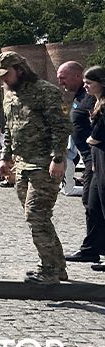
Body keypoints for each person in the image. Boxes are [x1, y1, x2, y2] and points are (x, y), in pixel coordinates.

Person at [0, 51, 72, 284]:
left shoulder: (46, 91)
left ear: (20, 70)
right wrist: (5, 158)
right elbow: (9, 129)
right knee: (39, 218)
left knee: (35, 215)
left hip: (44, 165)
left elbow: (61, 127)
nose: (3, 80)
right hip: (21, 165)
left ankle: (49, 270)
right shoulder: (9, 96)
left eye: (6, 74)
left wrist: (58, 158)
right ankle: (57, 266)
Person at [69, 65, 103, 266]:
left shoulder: (98, 102)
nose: (85, 86)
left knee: (96, 203)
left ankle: (93, 248)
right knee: (93, 203)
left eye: (89, 82)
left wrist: (92, 140)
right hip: (92, 158)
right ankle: (92, 248)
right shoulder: (89, 98)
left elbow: (98, 132)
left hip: (98, 157)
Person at [57, 61, 91, 198]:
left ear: (77, 76)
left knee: (91, 200)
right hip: (88, 159)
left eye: (63, 78)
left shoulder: (90, 97)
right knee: (90, 201)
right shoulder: (79, 96)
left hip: (95, 158)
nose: (60, 82)